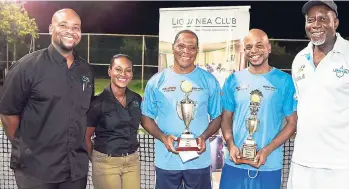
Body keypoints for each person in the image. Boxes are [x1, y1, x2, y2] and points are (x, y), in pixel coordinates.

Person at [287, 1, 349, 189]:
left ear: (336, 23)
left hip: (344, 168)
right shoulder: (299, 59)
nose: (315, 24)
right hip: (302, 162)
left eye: (323, 18)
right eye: (310, 20)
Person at [0, 9, 94, 189]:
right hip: (36, 171)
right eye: (63, 25)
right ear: (51, 29)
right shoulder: (26, 67)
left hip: (75, 171)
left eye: (76, 27)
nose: (70, 31)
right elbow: (8, 115)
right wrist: (29, 148)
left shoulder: (86, 71)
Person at [141, 29, 222, 189]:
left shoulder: (209, 81)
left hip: (198, 162)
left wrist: (204, 137)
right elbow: (145, 118)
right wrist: (164, 137)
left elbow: (217, 117)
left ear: (197, 50)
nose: (186, 51)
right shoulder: (156, 81)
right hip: (167, 162)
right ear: (173, 48)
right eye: (181, 46)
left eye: (192, 47)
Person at [219, 29, 297, 189]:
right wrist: (230, 144)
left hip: (268, 166)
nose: (253, 51)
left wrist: (267, 150)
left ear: (269, 48)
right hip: (235, 165)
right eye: (248, 47)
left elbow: (292, 123)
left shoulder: (284, 81)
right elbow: (226, 117)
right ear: (244, 50)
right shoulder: (233, 80)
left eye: (259, 45)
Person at [85, 54, 142, 189]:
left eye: (128, 70)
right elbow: (85, 136)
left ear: (132, 74)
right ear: (110, 71)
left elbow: (146, 121)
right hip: (106, 163)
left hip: (132, 162)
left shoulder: (136, 99)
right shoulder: (97, 103)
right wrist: (97, 160)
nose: (123, 74)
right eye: (118, 69)